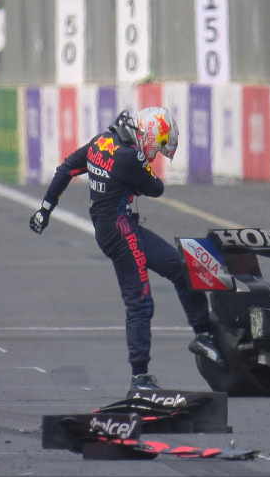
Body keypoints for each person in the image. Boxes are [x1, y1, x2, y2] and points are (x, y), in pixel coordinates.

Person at [29, 108, 227, 390]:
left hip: (116, 227)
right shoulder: (129, 156)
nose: (156, 154)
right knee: (140, 301)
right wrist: (143, 163)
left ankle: (204, 333)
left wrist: (45, 210)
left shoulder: (102, 141)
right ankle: (140, 377)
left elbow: (66, 169)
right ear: (148, 135)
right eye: (157, 147)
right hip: (120, 230)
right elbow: (156, 188)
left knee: (180, 267)